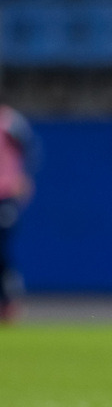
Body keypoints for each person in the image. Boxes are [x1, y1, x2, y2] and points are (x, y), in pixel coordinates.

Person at [0, 102, 36, 324]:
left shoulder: (9, 120)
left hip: (6, 193)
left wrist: (23, 178)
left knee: (2, 251)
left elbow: (30, 147)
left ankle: (10, 302)